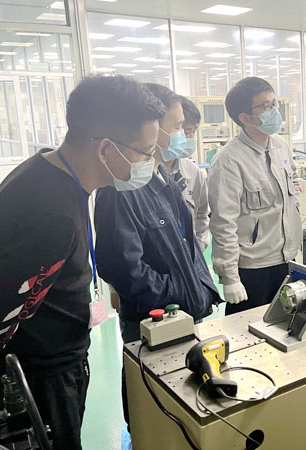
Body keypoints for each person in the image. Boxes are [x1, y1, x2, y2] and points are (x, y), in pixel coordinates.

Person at [0, 75, 166, 449]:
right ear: (106, 149)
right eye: (145, 151)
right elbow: (5, 306)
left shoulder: (49, 171)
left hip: (54, 360)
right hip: (40, 376)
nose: (151, 162)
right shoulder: (51, 211)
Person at [94, 83, 221, 425]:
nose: (183, 134)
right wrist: (177, 293)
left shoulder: (162, 176)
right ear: (153, 129)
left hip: (183, 311)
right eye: (177, 126)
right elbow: (123, 268)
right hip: (154, 319)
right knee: (152, 407)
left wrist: (197, 290)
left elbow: (185, 245)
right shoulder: (122, 188)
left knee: (185, 398)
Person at [208, 77, 302, 315]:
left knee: (287, 325)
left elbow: (293, 187)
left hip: (287, 259)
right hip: (253, 268)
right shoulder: (228, 160)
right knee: (247, 332)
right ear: (245, 117)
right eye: (265, 106)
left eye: (274, 103)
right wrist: (230, 277)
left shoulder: (281, 146)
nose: (274, 111)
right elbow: (223, 223)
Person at [162, 96, 210, 251]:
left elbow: (202, 214)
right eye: (186, 131)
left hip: (190, 258)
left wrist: (198, 247)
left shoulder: (192, 171)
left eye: (193, 132)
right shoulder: (142, 175)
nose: (190, 138)